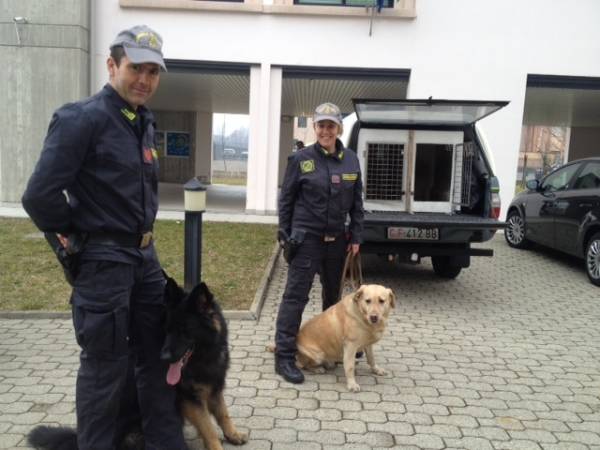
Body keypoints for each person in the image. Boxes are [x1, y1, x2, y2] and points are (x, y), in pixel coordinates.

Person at [22, 26, 187, 449]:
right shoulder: (82, 119)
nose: (144, 80)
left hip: (145, 262)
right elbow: (39, 196)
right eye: (136, 68)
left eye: (153, 72)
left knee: (157, 360)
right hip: (104, 266)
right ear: (112, 65)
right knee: (104, 374)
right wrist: (80, 238)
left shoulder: (142, 122)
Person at [274, 102, 364, 384]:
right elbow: (286, 199)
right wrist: (284, 232)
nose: (326, 130)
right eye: (321, 125)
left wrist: (357, 237)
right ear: (314, 128)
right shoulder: (300, 159)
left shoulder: (351, 160)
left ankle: (334, 347)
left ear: (339, 128)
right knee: (295, 298)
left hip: (338, 241)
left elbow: (357, 203)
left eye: (331, 125)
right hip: (307, 240)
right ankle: (285, 356)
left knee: (333, 299)